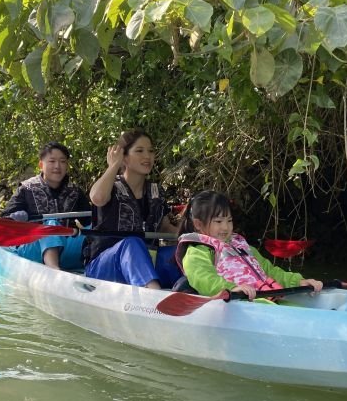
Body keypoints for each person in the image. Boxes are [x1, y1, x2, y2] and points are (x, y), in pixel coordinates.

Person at [175, 190, 323, 303]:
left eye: (229, 220)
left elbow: (269, 271)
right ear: (198, 224)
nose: (226, 227)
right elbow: (202, 278)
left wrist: (297, 282)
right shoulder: (196, 252)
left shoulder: (243, 247)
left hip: (265, 299)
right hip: (239, 303)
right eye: (218, 221)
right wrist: (232, 288)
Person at [84, 129, 179, 288]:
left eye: (150, 151)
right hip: (105, 266)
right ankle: (153, 293)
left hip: (146, 261)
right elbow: (97, 198)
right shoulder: (111, 187)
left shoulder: (156, 190)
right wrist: (114, 165)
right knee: (132, 243)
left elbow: (164, 226)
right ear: (124, 157)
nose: (147, 156)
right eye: (139, 151)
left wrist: (190, 237)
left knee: (181, 251)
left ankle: (195, 290)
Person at [1, 142, 91, 269]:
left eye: (62, 161)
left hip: (66, 251)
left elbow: (89, 221)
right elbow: (5, 219)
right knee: (51, 225)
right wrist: (15, 217)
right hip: (33, 250)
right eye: (52, 161)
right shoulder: (26, 189)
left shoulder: (75, 192)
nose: (57, 166)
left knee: (92, 232)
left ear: (67, 165)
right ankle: (54, 268)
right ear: (41, 165)